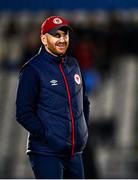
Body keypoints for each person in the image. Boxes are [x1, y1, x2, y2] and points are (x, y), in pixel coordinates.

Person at [16, 15, 90, 179]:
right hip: (46, 153)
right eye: (56, 35)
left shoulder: (74, 65)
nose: (62, 39)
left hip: (74, 154)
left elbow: (84, 102)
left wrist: (82, 133)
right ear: (43, 38)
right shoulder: (32, 69)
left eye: (65, 35)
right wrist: (48, 136)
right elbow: (23, 113)